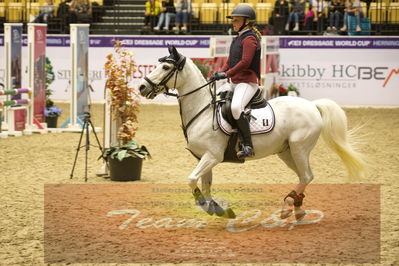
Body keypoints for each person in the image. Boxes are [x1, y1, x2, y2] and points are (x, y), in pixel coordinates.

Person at [210, 4, 262, 159]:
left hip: (247, 82)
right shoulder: (237, 38)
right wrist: (220, 72)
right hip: (235, 81)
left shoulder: (250, 39)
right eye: (233, 20)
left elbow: (245, 62)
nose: (233, 23)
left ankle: (248, 145)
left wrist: (227, 74)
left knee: (236, 107)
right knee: (213, 100)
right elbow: (230, 61)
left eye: (236, 20)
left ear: (247, 21)